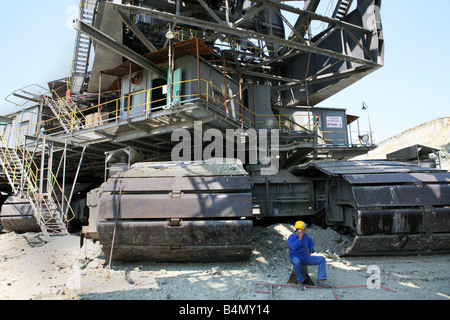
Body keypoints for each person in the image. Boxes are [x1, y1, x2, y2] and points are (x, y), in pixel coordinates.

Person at [288, 221, 330, 290]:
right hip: (295, 257)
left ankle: (321, 280)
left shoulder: (306, 236)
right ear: (298, 230)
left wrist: (310, 251)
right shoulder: (291, 237)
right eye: (303, 230)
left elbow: (311, 243)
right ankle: (300, 282)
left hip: (305, 257)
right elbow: (293, 247)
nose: (305, 231)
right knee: (297, 262)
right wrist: (299, 239)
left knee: (322, 259)